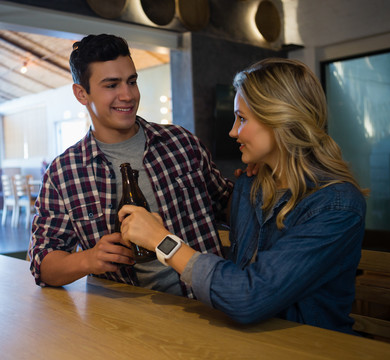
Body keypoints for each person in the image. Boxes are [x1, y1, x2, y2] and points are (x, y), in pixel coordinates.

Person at [118, 58, 368, 334]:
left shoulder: (336, 206)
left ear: (280, 119)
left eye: (242, 118)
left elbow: (247, 297)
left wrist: (162, 241)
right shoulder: (251, 186)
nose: (233, 131)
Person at [29, 34, 233, 298]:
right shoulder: (63, 173)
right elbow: (42, 264)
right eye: (111, 85)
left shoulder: (182, 143)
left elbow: (228, 205)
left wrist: (259, 182)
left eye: (132, 81)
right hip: (124, 321)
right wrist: (89, 259)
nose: (127, 95)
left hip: (207, 305)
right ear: (81, 93)